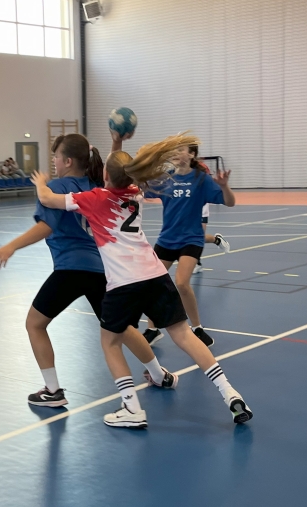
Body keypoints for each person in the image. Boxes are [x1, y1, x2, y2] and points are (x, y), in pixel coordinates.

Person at [33, 132, 253, 427]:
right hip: (156, 274)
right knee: (183, 335)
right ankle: (231, 394)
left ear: (105, 177)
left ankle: (132, 409)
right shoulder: (135, 193)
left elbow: (47, 198)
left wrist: (40, 182)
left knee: (110, 342)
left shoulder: (94, 199)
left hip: (124, 282)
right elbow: (118, 171)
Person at [0, 132, 177, 413]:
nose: (53, 161)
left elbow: (46, 226)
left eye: (56, 156)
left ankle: (52, 391)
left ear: (67, 161)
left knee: (34, 324)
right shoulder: (95, 184)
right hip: (101, 268)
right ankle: (159, 375)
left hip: (71, 268)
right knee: (122, 327)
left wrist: (11, 246)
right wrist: (116, 143)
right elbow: (114, 169)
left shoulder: (57, 187)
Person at [141, 142, 236, 348]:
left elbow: (230, 202)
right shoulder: (166, 179)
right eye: (174, 150)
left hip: (191, 239)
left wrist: (224, 186)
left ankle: (197, 328)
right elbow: (141, 189)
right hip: (167, 239)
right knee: (151, 284)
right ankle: (152, 329)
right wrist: (143, 166)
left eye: (180, 150)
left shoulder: (201, 179)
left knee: (182, 283)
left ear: (191, 154)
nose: (176, 153)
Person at [189, 148, 230, 274]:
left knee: (198, 237)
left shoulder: (201, 169)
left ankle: (197, 263)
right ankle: (217, 240)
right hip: (187, 208)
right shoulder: (179, 171)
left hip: (201, 208)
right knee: (187, 236)